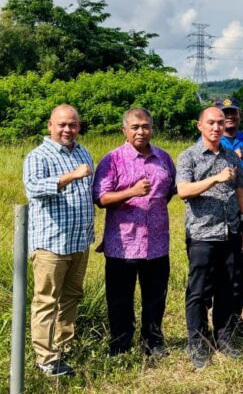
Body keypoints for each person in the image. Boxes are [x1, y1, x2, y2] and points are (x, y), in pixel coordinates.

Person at [93, 107, 176, 358]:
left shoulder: (163, 158)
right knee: (120, 299)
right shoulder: (112, 159)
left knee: (155, 297)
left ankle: (153, 341)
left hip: (157, 242)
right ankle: (120, 344)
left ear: (152, 128)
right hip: (123, 243)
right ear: (125, 130)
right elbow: (101, 198)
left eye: (146, 126)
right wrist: (131, 192)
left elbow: (169, 191)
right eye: (135, 127)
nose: (141, 131)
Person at [177, 106, 243, 368]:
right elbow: (184, 191)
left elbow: (240, 191)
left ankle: (224, 337)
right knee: (198, 291)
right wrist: (215, 179)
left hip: (230, 231)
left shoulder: (232, 156)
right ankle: (197, 343)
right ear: (200, 125)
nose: (216, 127)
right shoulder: (189, 157)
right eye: (210, 122)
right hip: (202, 233)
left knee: (227, 289)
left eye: (220, 123)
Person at [23, 105, 94, 377]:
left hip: (79, 241)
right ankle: (46, 358)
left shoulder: (83, 152)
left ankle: (63, 346)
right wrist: (71, 176)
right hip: (51, 243)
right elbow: (34, 188)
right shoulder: (38, 156)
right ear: (50, 125)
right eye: (62, 124)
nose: (67, 130)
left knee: (72, 296)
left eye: (73, 125)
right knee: (46, 300)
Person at [214, 97, 243, 333]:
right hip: (217, 218)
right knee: (219, 272)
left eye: (233, 112)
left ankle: (236, 317)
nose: (228, 117)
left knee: (241, 270)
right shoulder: (210, 141)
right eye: (224, 113)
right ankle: (218, 319)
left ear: (239, 114)